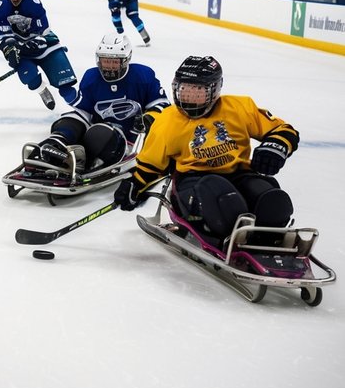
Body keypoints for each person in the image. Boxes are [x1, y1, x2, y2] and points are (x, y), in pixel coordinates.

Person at [114, 56, 300, 249]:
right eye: (184, 90)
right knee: (222, 196)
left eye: (198, 92)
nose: (189, 98)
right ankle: (233, 232)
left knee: (273, 200)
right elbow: (150, 166)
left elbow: (283, 130)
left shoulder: (239, 107)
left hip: (239, 175)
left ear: (215, 90)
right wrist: (134, 186)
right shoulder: (167, 120)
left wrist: (275, 147)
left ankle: (263, 235)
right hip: (193, 182)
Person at [30, 34, 169, 172]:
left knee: (102, 132)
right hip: (96, 133)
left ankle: (84, 160)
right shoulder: (91, 77)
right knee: (70, 117)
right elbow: (86, 111)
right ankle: (57, 143)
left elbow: (163, 105)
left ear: (126, 60)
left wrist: (148, 119)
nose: (109, 66)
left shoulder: (143, 75)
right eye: (105, 61)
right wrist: (67, 128)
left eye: (115, 62)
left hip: (130, 139)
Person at [0, 0, 77, 110]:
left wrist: (31, 44)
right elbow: (4, 36)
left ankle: (82, 107)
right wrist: (10, 49)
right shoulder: (1, 7)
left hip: (45, 45)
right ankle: (42, 91)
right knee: (29, 76)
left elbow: (43, 33)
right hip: (21, 48)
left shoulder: (33, 3)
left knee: (65, 85)